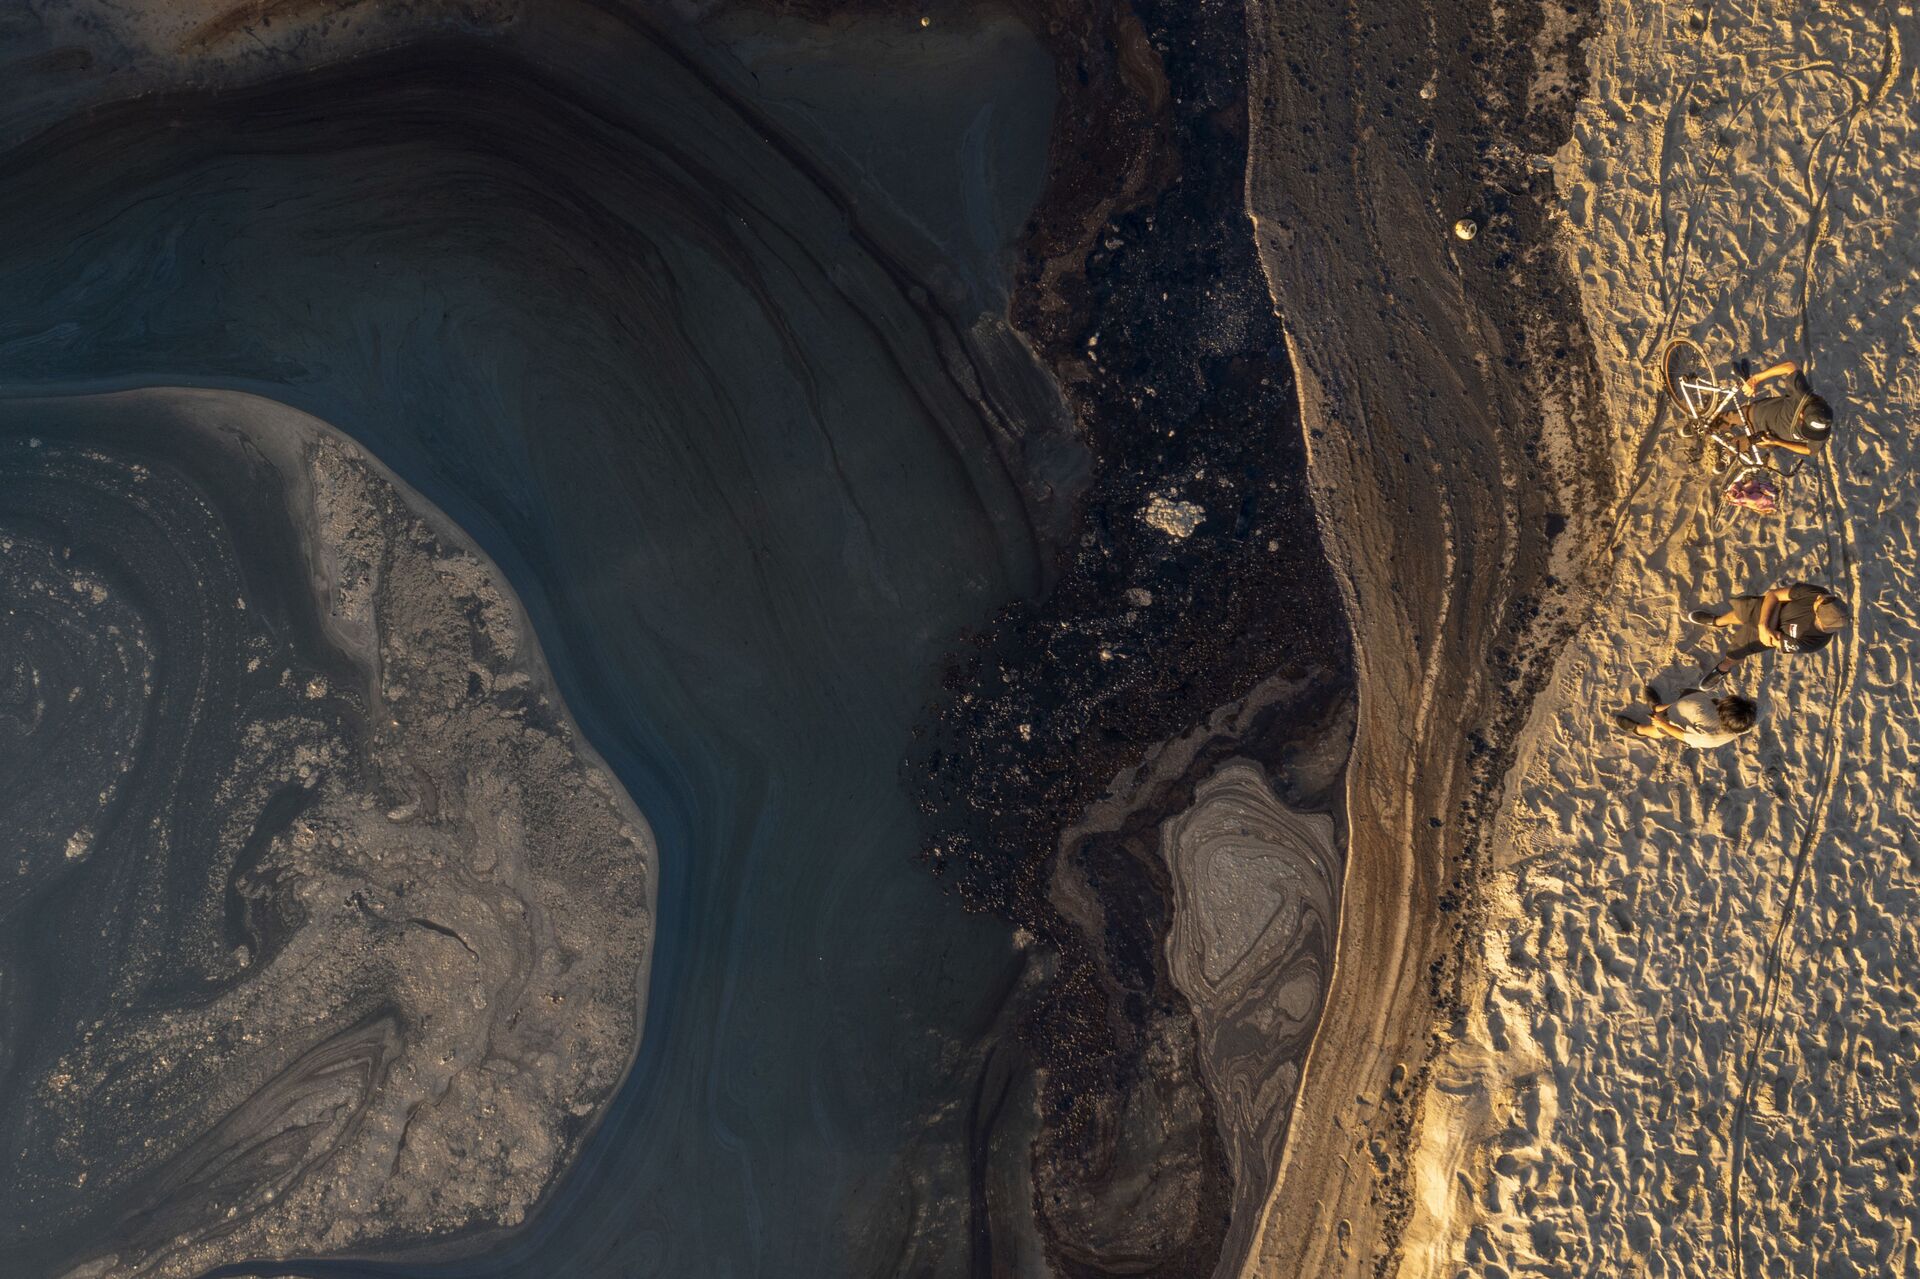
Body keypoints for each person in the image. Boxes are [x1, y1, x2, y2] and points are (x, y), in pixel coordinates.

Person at [1690, 581, 1849, 685]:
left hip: (1763, 631)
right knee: (1740, 612)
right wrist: (1764, 625)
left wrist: (1766, 624)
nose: (1820, 597)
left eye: (1819, 603)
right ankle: (1717, 622)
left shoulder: (1814, 642)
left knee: (1735, 653)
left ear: (1820, 620)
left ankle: (1722, 669)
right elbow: (1773, 594)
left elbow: (1769, 641)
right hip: (1767, 615)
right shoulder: (1819, 593)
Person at [1736, 357, 1834, 457]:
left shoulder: (1822, 429)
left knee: (1732, 448)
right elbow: (1790, 367)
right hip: (1756, 413)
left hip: (1765, 438)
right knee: (1722, 420)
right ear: (1801, 414)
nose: (1811, 433)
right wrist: (1755, 379)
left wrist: (1777, 442)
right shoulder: (1802, 395)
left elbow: (1810, 450)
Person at [1615, 685, 1757, 749]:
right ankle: (1657, 707)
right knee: (1677, 706)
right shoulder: (1751, 716)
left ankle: (1638, 729)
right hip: (1689, 708)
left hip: (1684, 723)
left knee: (1657, 730)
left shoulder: (1708, 736)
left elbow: (1682, 735)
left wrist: (1663, 724)